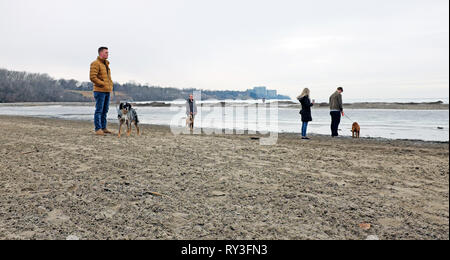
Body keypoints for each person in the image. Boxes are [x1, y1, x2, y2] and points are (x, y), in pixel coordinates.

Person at [90, 47, 114, 136]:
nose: (108, 54)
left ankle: (104, 128)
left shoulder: (106, 64)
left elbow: (108, 78)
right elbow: (92, 77)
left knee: (105, 110)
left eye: (108, 52)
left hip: (107, 90)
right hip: (99, 90)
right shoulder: (95, 63)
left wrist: (110, 85)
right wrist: (103, 84)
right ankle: (98, 129)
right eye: (106, 52)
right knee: (99, 110)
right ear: (101, 53)